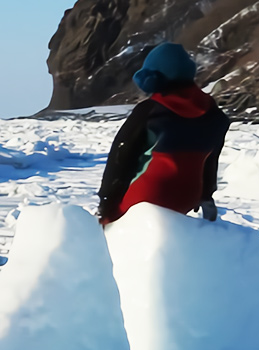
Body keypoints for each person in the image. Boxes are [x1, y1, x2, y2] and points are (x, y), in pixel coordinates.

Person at [99, 43, 232, 225]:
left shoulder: (150, 111)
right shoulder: (215, 115)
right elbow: (210, 161)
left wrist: (107, 201)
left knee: (114, 235)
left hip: (147, 197)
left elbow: (121, 156)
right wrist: (207, 195)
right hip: (187, 197)